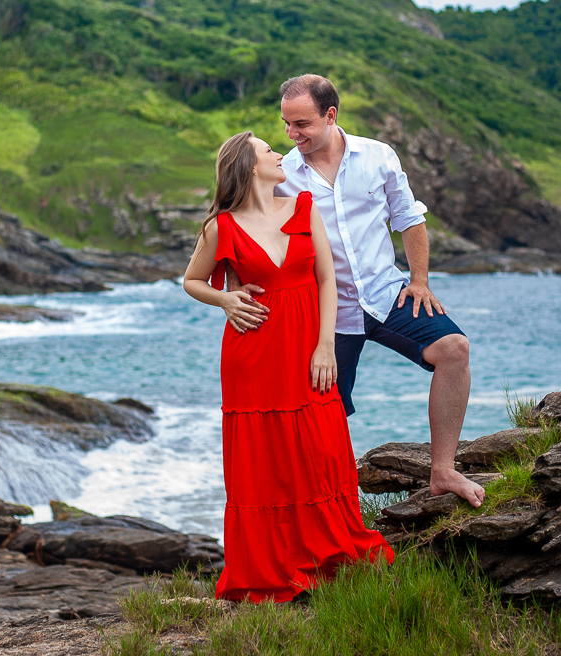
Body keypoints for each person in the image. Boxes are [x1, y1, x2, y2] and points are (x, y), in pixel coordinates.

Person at [224, 74, 485, 508]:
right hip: (325, 313)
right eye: (286, 124)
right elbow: (240, 218)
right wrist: (233, 287)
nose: (291, 134)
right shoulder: (283, 173)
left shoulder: (378, 156)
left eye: (301, 124)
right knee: (325, 414)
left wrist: (419, 280)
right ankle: (333, 506)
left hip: (387, 294)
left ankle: (443, 471)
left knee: (454, 350)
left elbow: (409, 218)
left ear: (330, 115)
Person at [182, 131, 394, 603]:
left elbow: (326, 279)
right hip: (252, 356)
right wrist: (224, 299)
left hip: (308, 347)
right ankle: (268, 566)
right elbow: (191, 281)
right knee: (265, 460)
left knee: (321, 445)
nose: (279, 153)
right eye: (267, 150)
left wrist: (325, 347)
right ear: (248, 166)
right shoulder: (221, 227)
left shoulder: (302, 206)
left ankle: (329, 553)